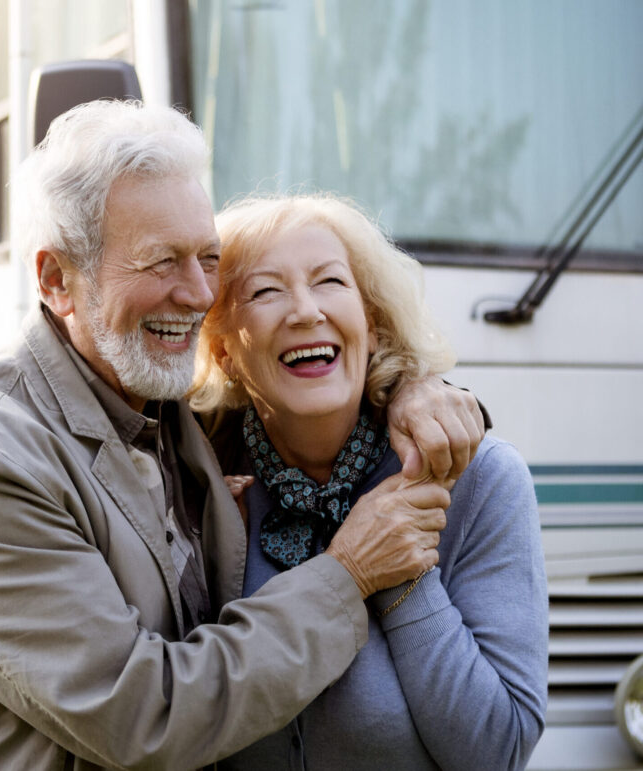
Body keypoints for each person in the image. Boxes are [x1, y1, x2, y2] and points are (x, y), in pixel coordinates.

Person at [0, 100, 486, 770]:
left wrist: (417, 391)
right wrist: (349, 572)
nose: (198, 294)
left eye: (208, 258)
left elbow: (310, 383)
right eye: (161, 261)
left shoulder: (162, 407)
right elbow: (145, 716)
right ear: (55, 279)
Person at [189, 193, 549, 770]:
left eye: (330, 281)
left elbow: (497, 752)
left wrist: (402, 577)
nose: (305, 311)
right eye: (265, 290)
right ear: (224, 351)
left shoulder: (480, 478)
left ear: (373, 326)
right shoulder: (194, 475)